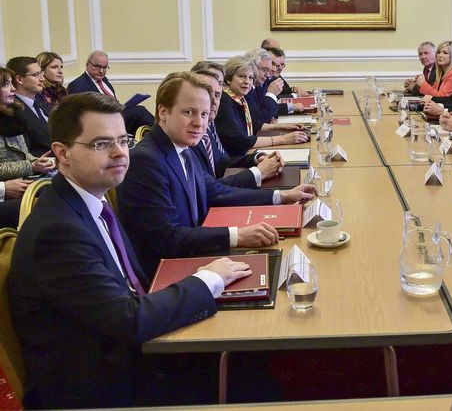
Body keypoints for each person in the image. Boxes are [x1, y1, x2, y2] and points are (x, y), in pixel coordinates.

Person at [8, 92, 253, 409]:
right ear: (62, 154)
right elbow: (129, 320)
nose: (120, 153)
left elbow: (132, 289)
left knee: (245, 351)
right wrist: (208, 280)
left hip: (128, 353)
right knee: (250, 377)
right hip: (102, 386)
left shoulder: (90, 204)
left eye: (122, 141)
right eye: (101, 144)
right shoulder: (57, 232)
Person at [117, 72, 316, 277]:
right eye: (188, 112)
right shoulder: (145, 161)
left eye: (203, 114)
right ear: (163, 112)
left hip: (197, 253)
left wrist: (281, 196)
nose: (199, 123)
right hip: (171, 272)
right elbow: (169, 238)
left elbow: (215, 191)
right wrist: (237, 236)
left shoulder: (183, 148)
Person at [191, 69, 283, 188]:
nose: (213, 101)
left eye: (217, 93)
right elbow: (208, 190)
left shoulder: (206, 126)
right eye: (207, 93)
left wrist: (257, 158)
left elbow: (220, 163)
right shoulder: (191, 133)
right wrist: (258, 173)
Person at [214, 55, 309, 156]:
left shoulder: (238, 98)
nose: (247, 81)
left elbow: (254, 124)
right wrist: (283, 139)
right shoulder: (224, 101)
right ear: (228, 79)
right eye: (241, 76)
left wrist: (283, 127)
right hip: (235, 161)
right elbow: (240, 140)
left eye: (250, 77)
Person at [0, 67, 56, 223]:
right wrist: (31, 166)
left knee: (66, 187)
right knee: (51, 202)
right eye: (6, 85)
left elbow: (23, 153)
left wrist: (36, 161)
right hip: (8, 190)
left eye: (11, 84)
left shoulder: (13, 115)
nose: (12, 89)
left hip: (21, 182)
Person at [67, 50, 155, 134]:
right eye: (97, 66)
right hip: (103, 124)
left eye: (104, 67)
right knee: (139, 112)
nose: (101, 71)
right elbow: (80, 115)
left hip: (115, 117)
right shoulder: (77, 85)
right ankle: (163, 133)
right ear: (87, 65)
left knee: (140, 118)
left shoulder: (104, 80)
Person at [6, 56, 51, 156]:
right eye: (36, 75)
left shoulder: (39, 100)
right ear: (19, 79)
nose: (42, 79)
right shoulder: (13, 110)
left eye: (41, 73)